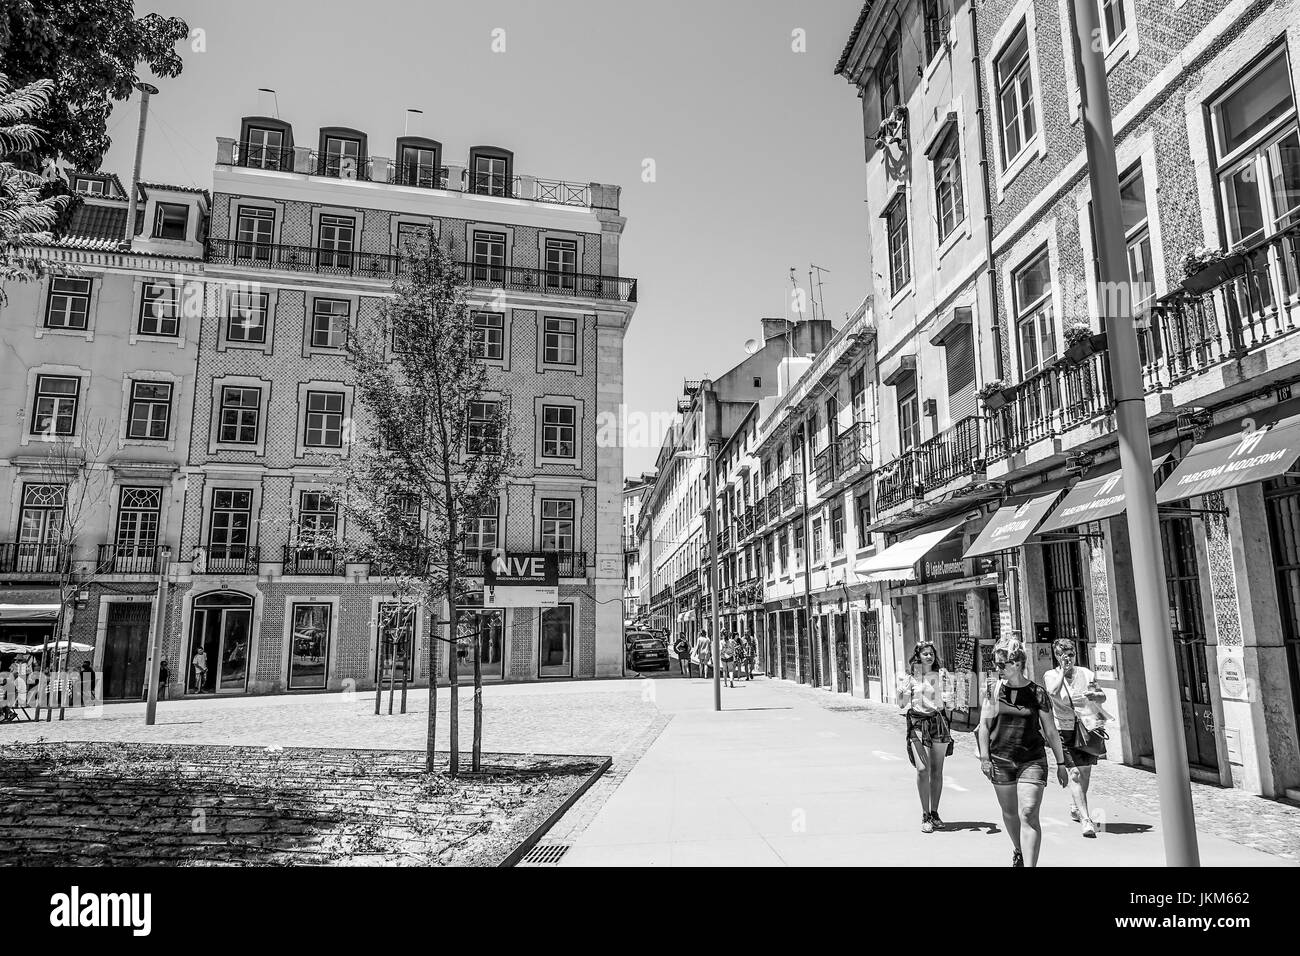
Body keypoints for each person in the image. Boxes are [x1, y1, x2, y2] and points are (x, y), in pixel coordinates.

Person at [977, 638, 1070, 867]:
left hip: (1032, 759)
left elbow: (1050, 730)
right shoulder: (992, 690)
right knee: (1009, 813)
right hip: (1000, 759)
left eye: (1002, 665)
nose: (998, 669)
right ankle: (1018, 849)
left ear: (1017, 664)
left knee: (1028, 812)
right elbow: (984, 726)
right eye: (996, 664)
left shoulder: (1037, 693)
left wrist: (1060, 763)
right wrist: (985, 758)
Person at [1043, 638, 1108, 837]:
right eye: (1064, 655)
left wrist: (1093, 696)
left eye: (1071, 655)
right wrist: (1063, 671)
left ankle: (1076, 806)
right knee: (1075, 774)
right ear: (1057, 656)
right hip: (1064, 729)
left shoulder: (1086, 673)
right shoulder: (1050, 675)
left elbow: (1102, 696)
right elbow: (1053, 693)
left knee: (1085, 772)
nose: (1068, 658)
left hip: (1087, 727)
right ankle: (1086, 819)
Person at [896, 641, 955, 833]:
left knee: (937, 771)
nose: (929, 656)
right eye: (925, 654)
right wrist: (901, 692)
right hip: (918, 723)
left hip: (938, 721)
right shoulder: (911, 677)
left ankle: (935, 813)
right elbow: (901, 704)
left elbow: (951, 703)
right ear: (918, 657)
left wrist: (950, 696)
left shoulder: (942, 675)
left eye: (931, 653)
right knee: (923, 769)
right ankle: (925, 814)